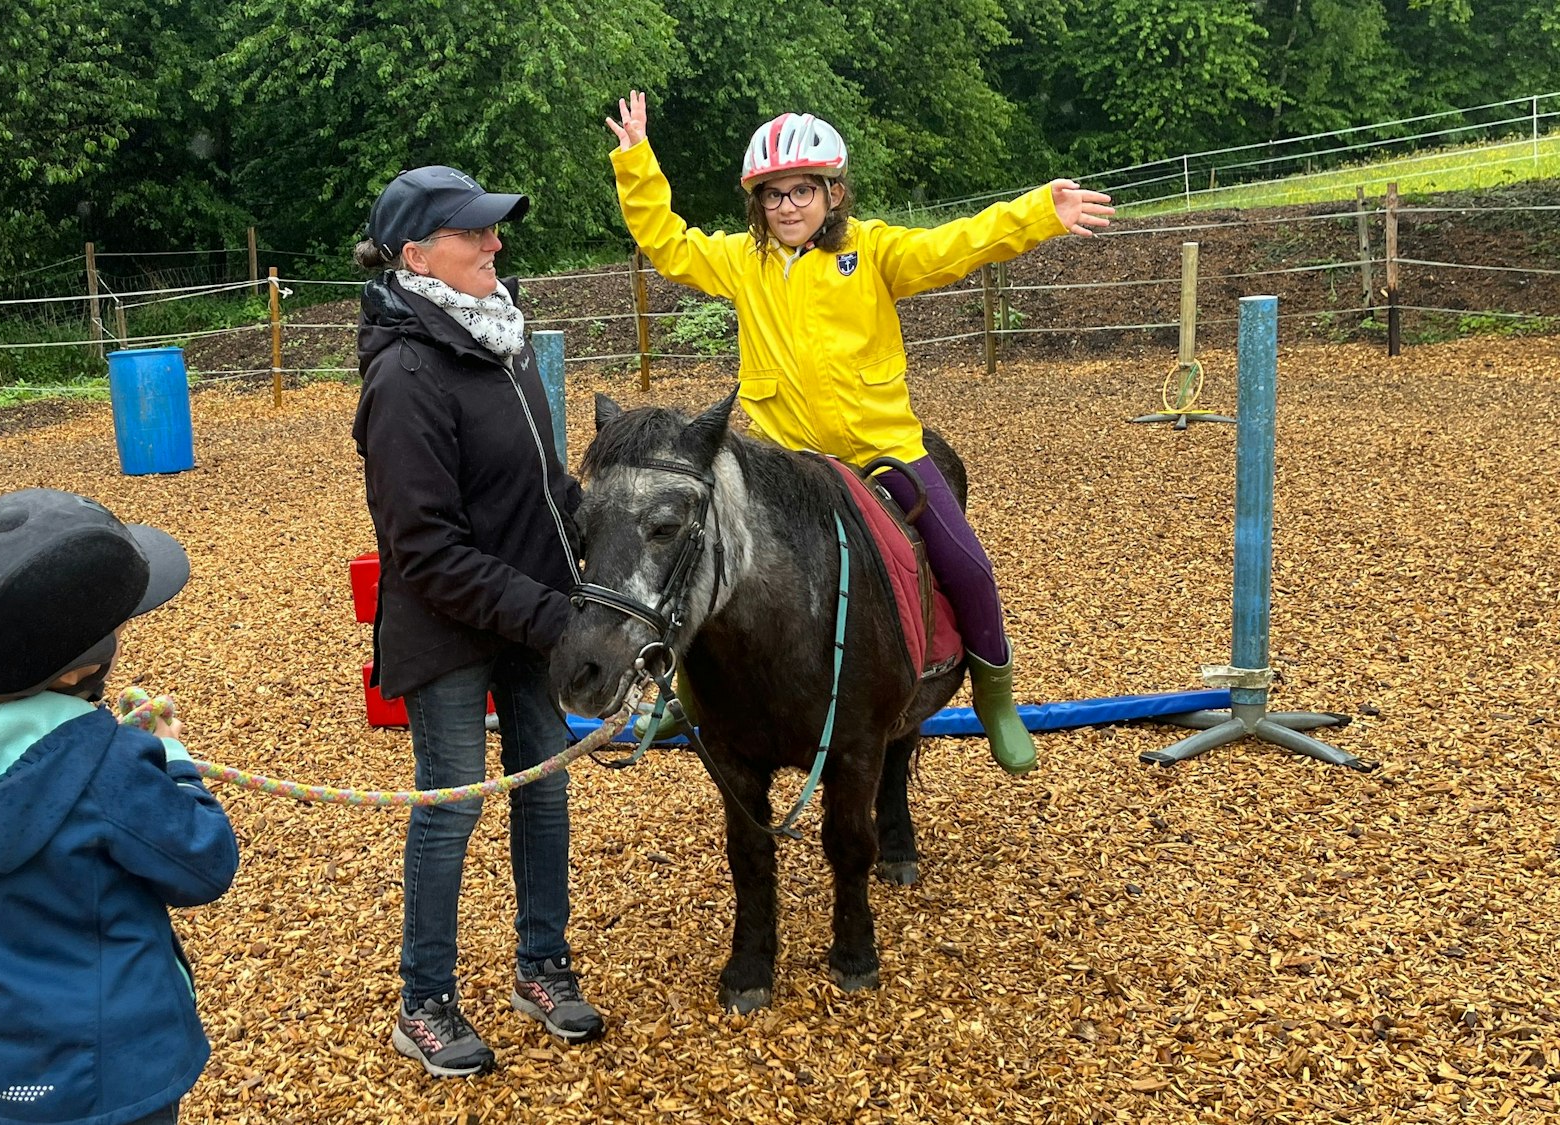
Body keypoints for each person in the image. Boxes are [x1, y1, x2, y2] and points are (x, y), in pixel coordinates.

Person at [604, 92, 1115, 776]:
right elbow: (666, 243)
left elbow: (957, 245)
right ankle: (693, 698)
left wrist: (1038, 213)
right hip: (783, 460)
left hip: (882, 451)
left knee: (966, 563)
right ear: (757, 204)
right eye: (773, 195)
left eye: (802, 191)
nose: (788, 206)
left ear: (833, 193)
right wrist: (637, 160)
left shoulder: (873, 252)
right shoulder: (742, 262)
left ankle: (996, 695)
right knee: (706, 566)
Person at [351, 165, 603, 1078]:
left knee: (545, 789)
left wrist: (600, 536)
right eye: (475, 233)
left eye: (495, 229)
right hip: (450, 629)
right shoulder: (405, 373)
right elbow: (423, 549)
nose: (496, 243)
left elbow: (541, 481)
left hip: (531, 619)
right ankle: (423, 1001)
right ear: (417, 256)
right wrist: (553, 615)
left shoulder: (502, 335)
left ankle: (542, 965)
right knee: (451, 805)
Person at [0, 488, 239, 1125]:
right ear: (80, 673)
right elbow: (204, 862)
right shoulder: (106, 768)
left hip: (6, 1070)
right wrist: (173, 760)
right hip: (117, 1071)